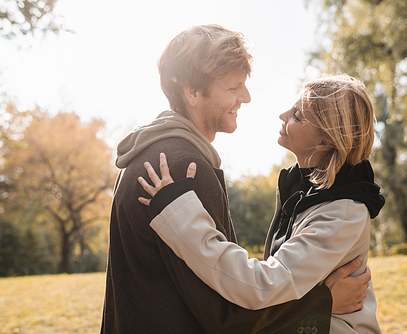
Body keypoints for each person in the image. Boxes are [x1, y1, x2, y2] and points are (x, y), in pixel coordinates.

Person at [101, 24, 371, 334]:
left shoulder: (147, 152)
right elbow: (227, 314)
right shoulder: (180, 168)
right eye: (233, 88)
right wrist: (323, 303)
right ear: (192, 91)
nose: (246, 97)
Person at [138, 74, 385, 333]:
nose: (283, 114)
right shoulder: (304, 191)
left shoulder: (341, 213)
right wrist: (324, 301)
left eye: (297, 115)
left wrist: (179, 213)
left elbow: (262, 286)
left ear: (325, 140)